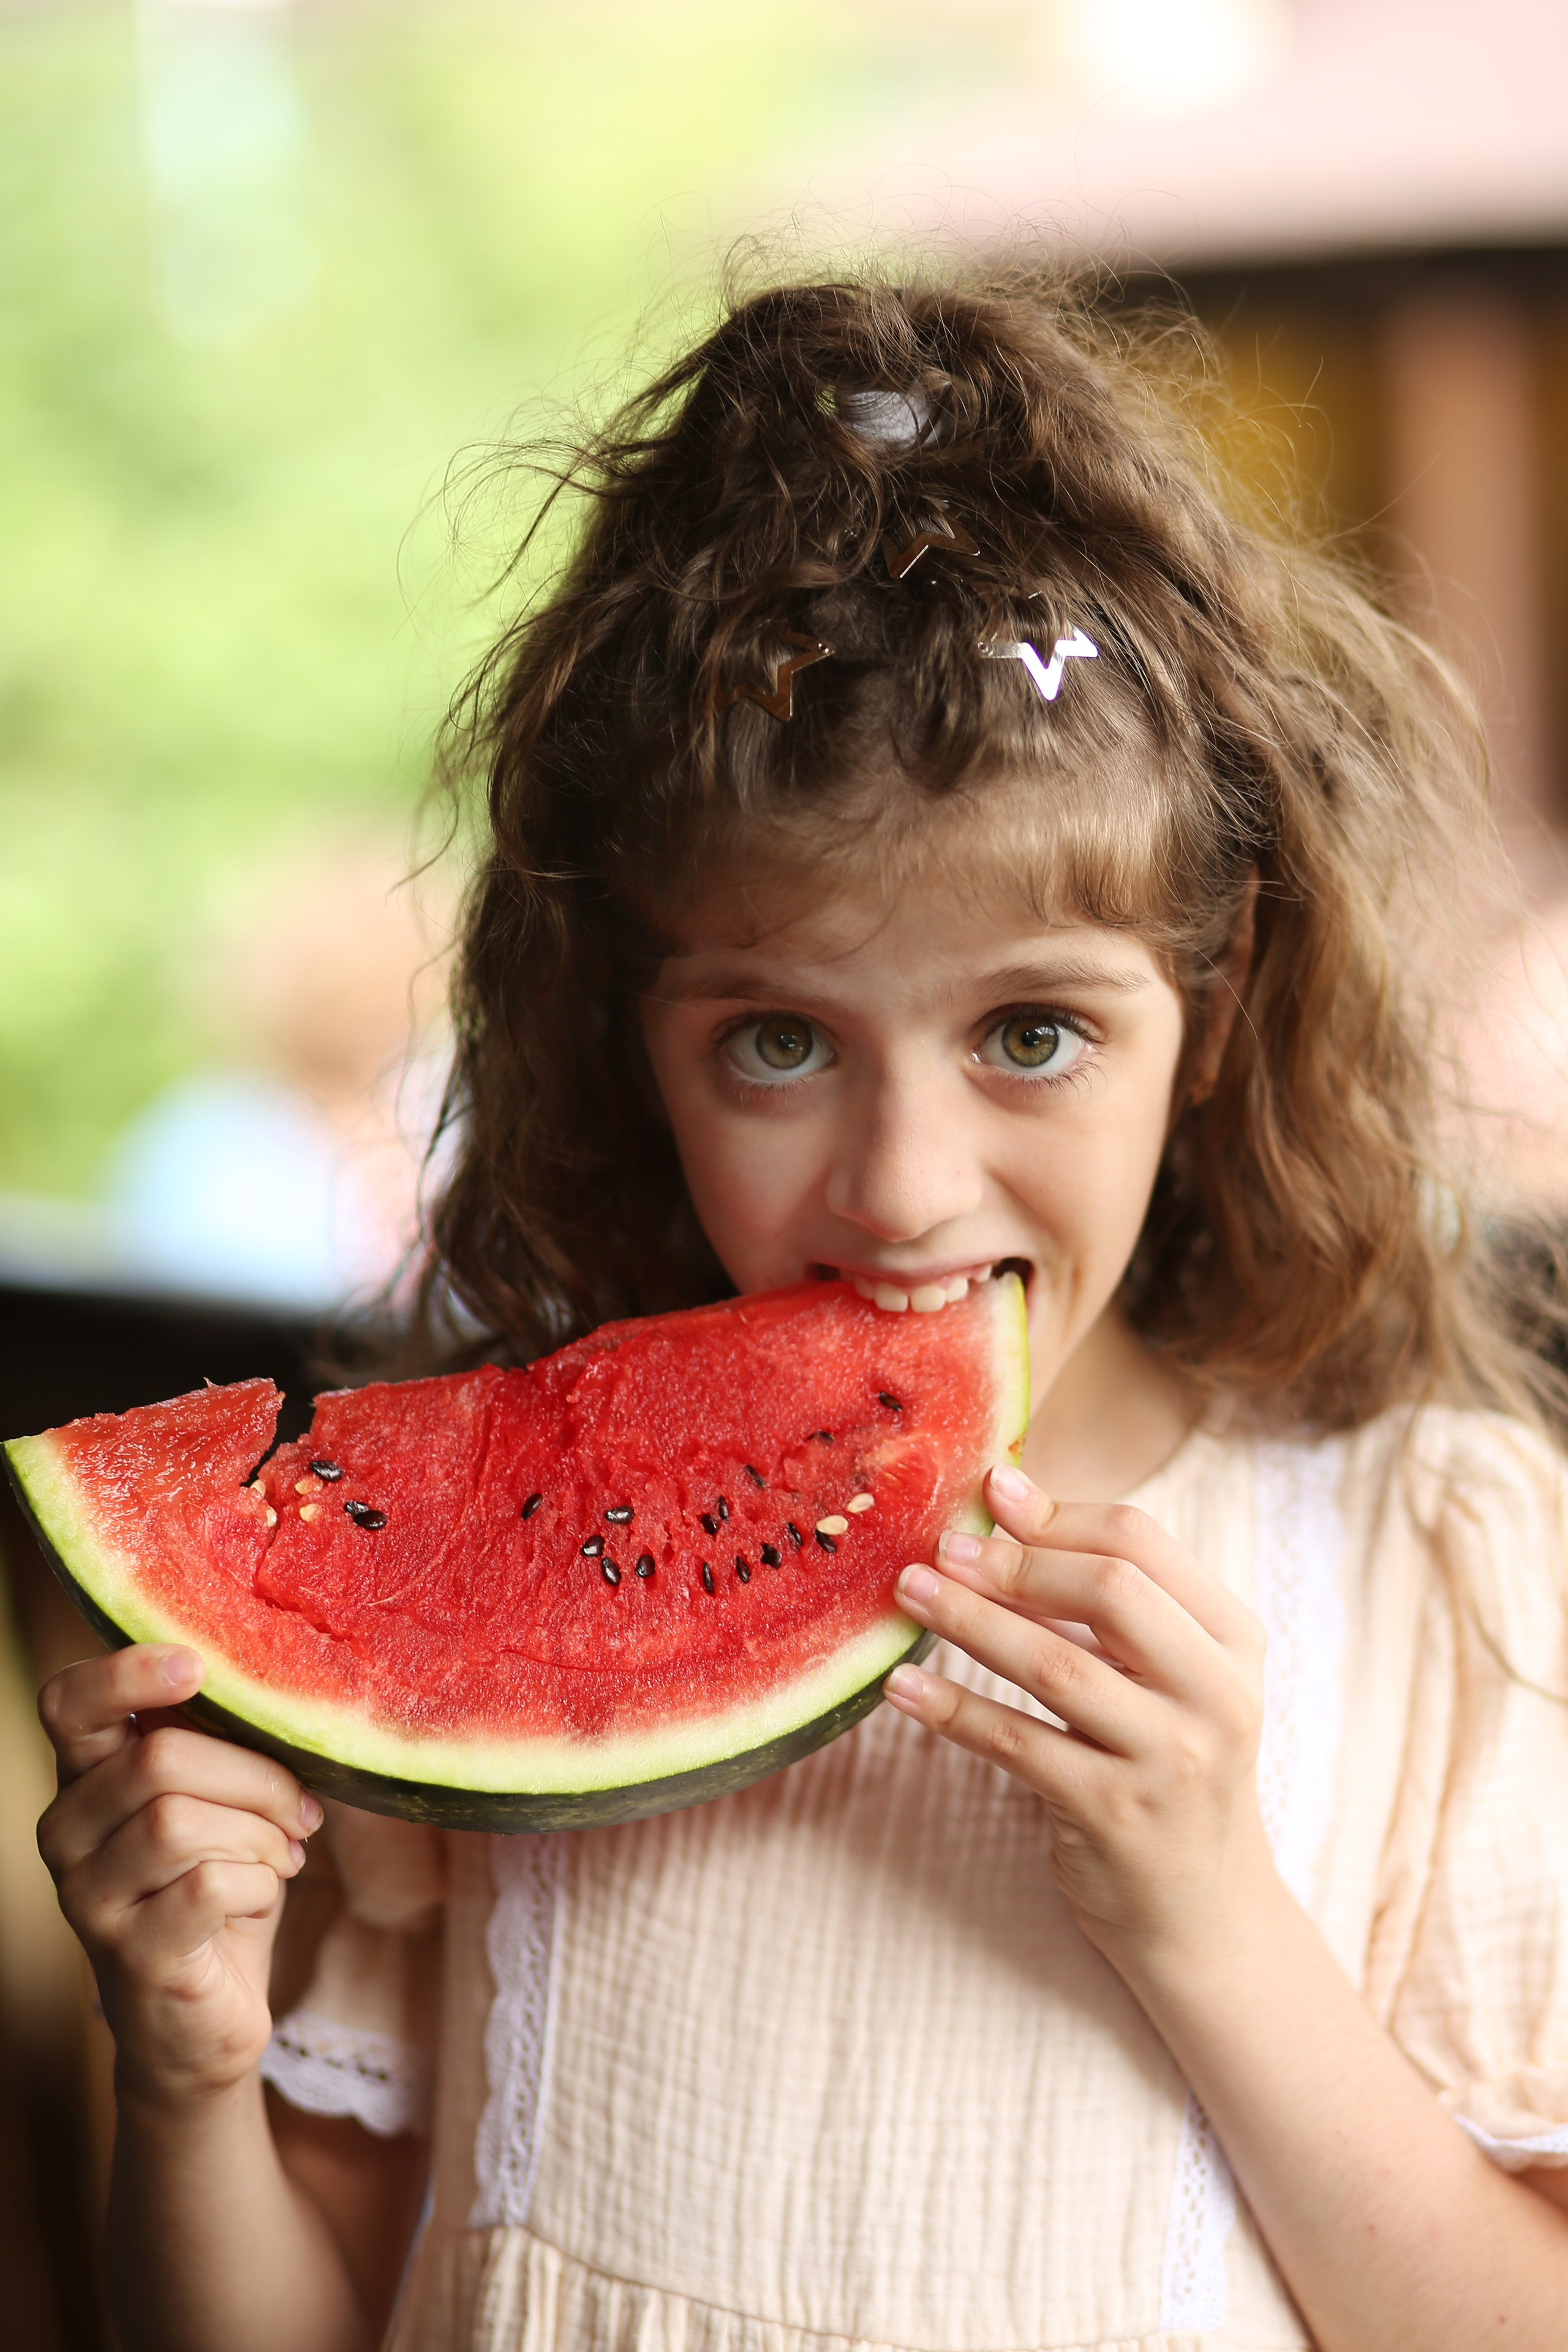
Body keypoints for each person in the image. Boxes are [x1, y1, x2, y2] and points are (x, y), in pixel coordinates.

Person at [33, 266, 1568, 2352]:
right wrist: (189, 2069)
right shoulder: (503, 1572)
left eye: (1033, 1030)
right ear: (631, 1040)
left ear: (1211, 1025)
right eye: (777, 1043)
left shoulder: (1440, 1576)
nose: (905, 1184)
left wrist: (1212, 1916)